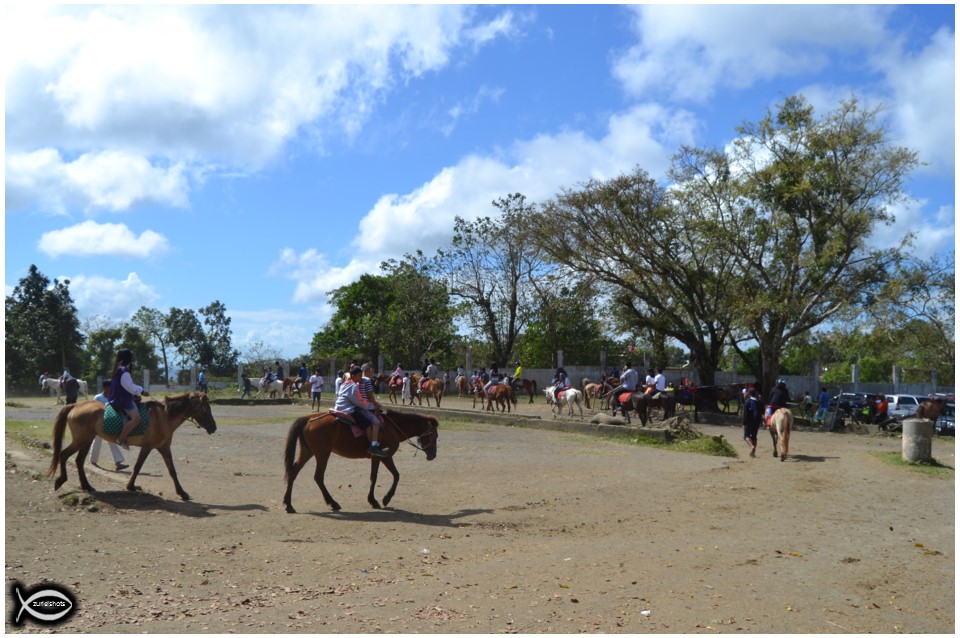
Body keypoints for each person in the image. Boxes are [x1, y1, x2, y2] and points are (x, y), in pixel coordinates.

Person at [334, 366, 388, 458]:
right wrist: (374, 406)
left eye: (361, 375)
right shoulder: (354, 386)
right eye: (359, 376)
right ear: (353, 376)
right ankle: (373, 446)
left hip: (338, 407)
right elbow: (361, 402)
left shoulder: (344, 384)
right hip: (348, 409)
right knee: (369, 424)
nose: (360, 378)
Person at [109, 349, 149, 450]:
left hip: (115, 397)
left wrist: (139, 390)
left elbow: (128, 385)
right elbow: (130, 388)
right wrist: (142, 390)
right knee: (136, 419)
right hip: (122, 400)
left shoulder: (117, 369)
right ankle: (120, 438)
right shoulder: (124, 371)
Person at [89, 381, 128, 471]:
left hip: (109, 423)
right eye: (110, 387)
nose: (112, 389)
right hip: (98, 424)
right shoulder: (98, 398)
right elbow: (93, 410)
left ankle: (118, 462)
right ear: (105, 388)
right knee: (97, 441)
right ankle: (93, 460)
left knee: (112, 440)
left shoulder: (112, 397)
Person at [742, 386, 764, 458]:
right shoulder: (760, 402)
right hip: (757, 421)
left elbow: (745, 414)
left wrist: (744, 423)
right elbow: (763, 412)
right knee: (754, 437)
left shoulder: (747, 401)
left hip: (749, 421)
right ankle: (753, 453)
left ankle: (752, 446)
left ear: (749, 394)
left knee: (746, 436)